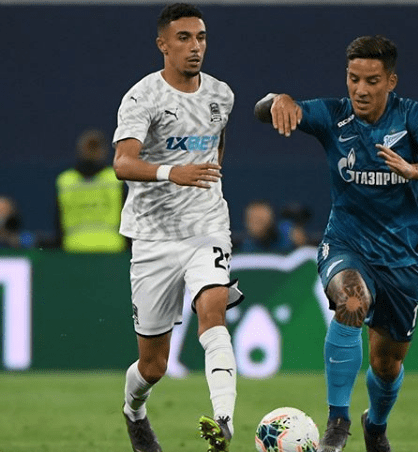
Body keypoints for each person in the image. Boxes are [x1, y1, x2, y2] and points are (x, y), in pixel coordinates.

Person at [254, 35, 418, 452]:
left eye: (371, 80)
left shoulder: (412, 116)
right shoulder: (333, 115)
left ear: (391, 81)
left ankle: (375, 425)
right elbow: (263, 109)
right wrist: (281, 99)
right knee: (351, 301)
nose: (360, 89)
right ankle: (338, 420)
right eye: (353, 78)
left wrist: (415, 170)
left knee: (387, 365)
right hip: (345, 243)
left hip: (400, 258)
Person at [111, 4, 242, 452]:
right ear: (163, 45)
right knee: (154, 366)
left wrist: (203, 184)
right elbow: (122, 163)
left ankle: (224, 419)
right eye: (184, 38)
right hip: (152, 237)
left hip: (207, 226)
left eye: (201, 37)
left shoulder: (222, 95)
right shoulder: (142, 97)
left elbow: (217, 146)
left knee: (213, 311)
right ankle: (134, 411)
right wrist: (173, 173)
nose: (195, 46)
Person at [56, 129, 126, 252]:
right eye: (90, 147)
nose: (92, 152)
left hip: (90, 249)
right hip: (100, 249)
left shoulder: (66, 180)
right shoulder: (115, 179)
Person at [237, 199, 307, 253]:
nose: (257, 226)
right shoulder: (244, 247)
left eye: (260, 220)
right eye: (252, 220)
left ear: (271, 220)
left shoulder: (287, 233)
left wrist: (300, 243)